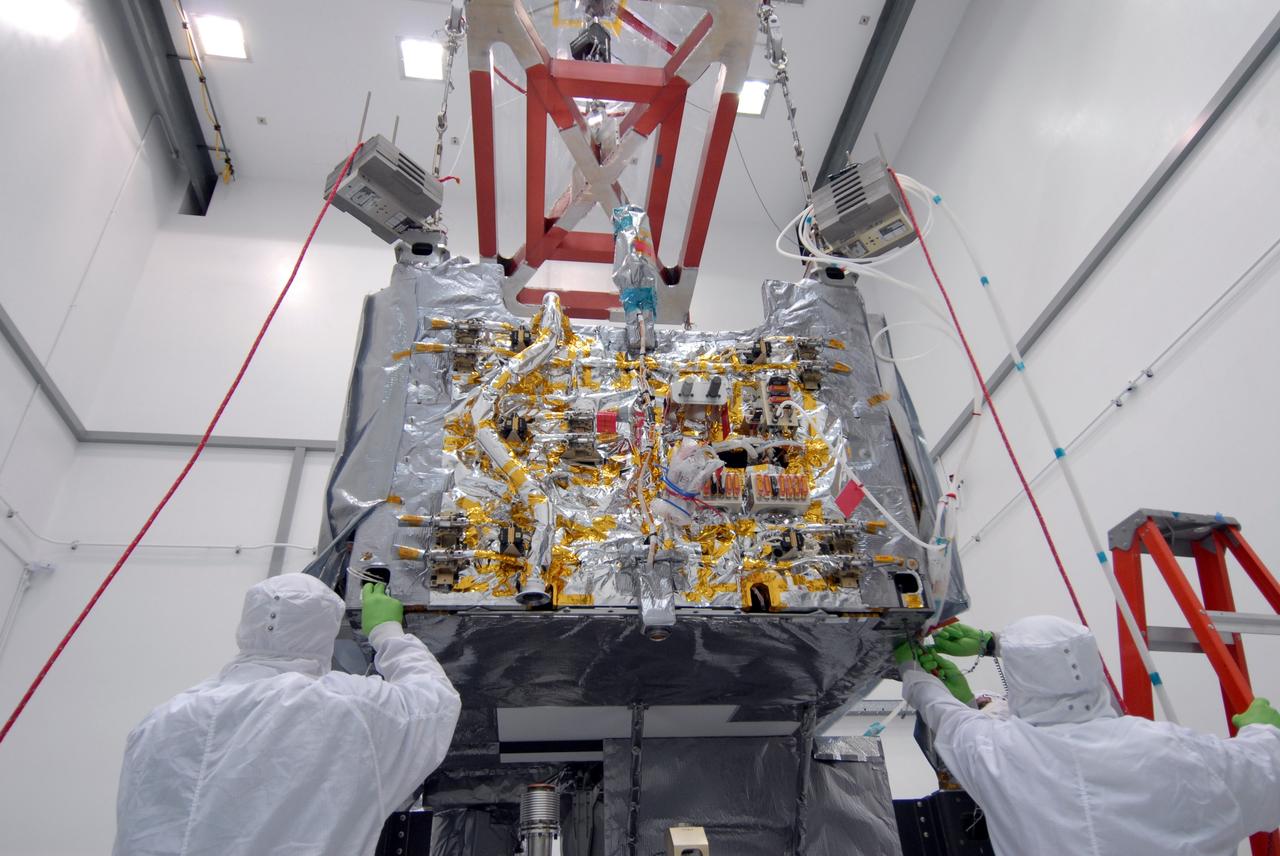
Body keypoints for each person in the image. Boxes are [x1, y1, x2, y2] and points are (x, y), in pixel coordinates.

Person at [113, 574, 460, 856]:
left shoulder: (160, 721)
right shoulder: (344, 706)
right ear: (326, 630)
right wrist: (386, 631)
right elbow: (435, 703)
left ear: (246, 624)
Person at [897, 615, 1280, 856]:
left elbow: (941, 711)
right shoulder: (1179, 750)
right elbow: (1269, 773)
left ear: (1018, 685)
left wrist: (912, 667)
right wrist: (1262, 728)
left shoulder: (999, 752)